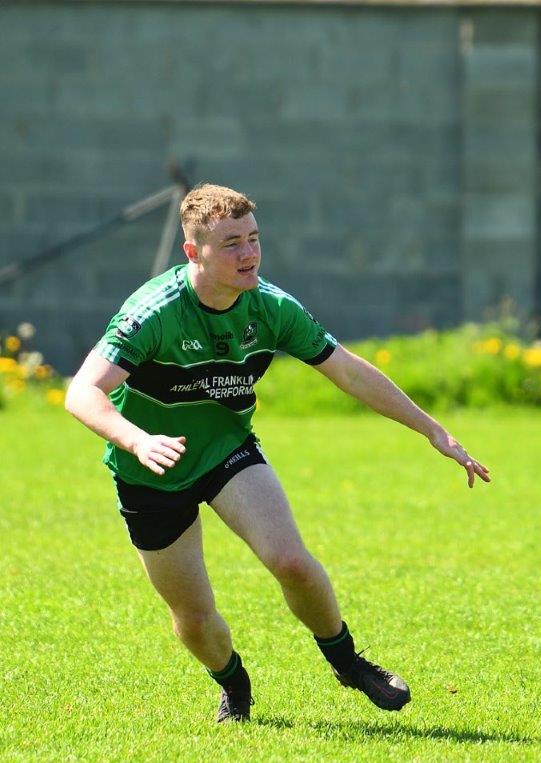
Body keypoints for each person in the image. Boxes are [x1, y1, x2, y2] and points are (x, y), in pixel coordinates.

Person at [65, 183, 490, 723]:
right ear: (194, 252)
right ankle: (234, 683)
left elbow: (348, 371)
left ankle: (348, 661)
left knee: (291, 560)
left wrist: (432, 430)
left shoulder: (271, 307)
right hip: (150, 468)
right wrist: (137, 439)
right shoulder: (155, 311)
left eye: (254, 239)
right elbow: (82, 392)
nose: (249, 255)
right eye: (231, 244)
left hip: (226, 451)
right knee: (194, 619)